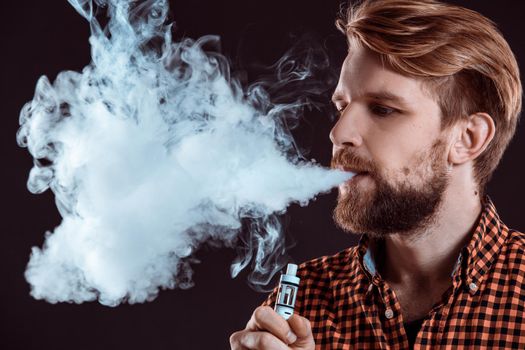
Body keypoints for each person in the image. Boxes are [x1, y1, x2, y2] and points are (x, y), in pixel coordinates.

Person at [230, 0, 524, 348]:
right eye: (342, 106)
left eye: (383, 109)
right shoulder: (299, 306)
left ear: (467, 139)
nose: (339, 134)